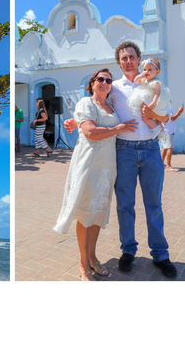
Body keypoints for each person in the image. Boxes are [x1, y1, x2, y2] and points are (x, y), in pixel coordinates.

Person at [66, 41, 177, 277]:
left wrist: (152, 114)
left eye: (132, 57)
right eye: (124, 58)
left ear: (139, 59)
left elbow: (168, 117)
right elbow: (97, 105)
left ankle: (160, 254)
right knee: (125, 206)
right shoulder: (113, 86)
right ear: (119, 62)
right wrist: (74, 121)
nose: (128, 61)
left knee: (153, 204)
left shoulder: (154, 84)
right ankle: (128, 251)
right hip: (123, 151)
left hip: (150, 149)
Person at [53, 68, 139, 280]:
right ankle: (83, 265)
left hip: (107, 165)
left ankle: (92, 257)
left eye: (108, 80)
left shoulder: (111, 107)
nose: (104, 82)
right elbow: (90, 131)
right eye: (100, 79)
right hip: (89, 163)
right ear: (92, 83)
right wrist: (119, 128)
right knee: (85, 213)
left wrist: (74, 122)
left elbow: (84, 123)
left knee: (98, 212)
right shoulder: (85, 102)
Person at [127, 58, 168, 129]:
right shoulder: (144, 80)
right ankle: (160, 129)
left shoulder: (156, 82)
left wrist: (154, 103)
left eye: (150, 70)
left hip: (152, 103)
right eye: (144, 69)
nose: (146, 72)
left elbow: (157, 93)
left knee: (146, 118)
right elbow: (136, 81)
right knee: (145, 117)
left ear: (157, 72)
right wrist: (140, 76)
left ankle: (156, 128)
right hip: (145, 101)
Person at [161, 105, 185, 171]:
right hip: (168, 132)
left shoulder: (164, 109)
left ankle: (161, 163)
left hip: (166, 132)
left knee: (165, 148)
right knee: (170, 148)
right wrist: (179, 112)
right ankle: (168, 166)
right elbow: (173, 118)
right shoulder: (167, 109)